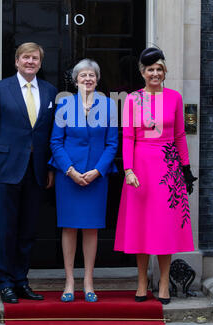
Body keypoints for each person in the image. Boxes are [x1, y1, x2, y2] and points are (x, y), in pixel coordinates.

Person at [114, 47, 197, 304]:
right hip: (141, 167)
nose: (155, 73)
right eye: (150, 69)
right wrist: (128, 169)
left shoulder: (174, 98)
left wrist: (186, 170)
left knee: (164, 227)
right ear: (142, 73)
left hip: (169, 167)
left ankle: (163, 282)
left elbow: (180, 136)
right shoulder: (132, 99)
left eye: (159, 69)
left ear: (164, 72)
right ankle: (141, 281)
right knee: (141, 225)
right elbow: (128, 136)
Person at [0, 42, 57, 304]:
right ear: (16, 61)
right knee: (7, 230)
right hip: (5, 171)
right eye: (26, 58)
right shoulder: (0, 89)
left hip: (36, 172)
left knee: (28, 231)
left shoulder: (49, 91)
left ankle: (22, 281)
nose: (30, 62)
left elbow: (48, 135)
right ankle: (5, 283)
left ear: (40, 63)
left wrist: (48, 168)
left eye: (35, 58)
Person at [49, 59, 118, 303]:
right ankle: (69, 281)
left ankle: (88, 280)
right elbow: (56, 141)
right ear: (76, 80)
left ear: (97, 79)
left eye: (92, 75)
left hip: (96, 177)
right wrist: (69, 170)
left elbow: (112, 144)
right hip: (68, 176)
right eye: (83, 76)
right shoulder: (64, 105)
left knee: (91, 228)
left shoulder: (108, 105)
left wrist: (98, 171)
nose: (87, 79)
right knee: (69, 227)